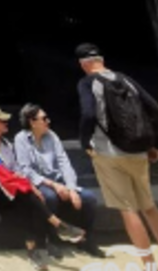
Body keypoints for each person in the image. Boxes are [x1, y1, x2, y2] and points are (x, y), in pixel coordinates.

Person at [76, 43, 158, 271]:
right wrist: (156, 144)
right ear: (102, 59)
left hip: (109, 154)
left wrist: (85, 144)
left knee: (129, 209)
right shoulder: (125, 79)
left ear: (83, 64)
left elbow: (89, 114)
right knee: (150, 207)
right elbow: (156, 110)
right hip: (139, 151)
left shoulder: (87, 83)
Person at [0, 105, 82, 271]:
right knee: (26, 195)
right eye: (2, 120)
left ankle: (34, 249)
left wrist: (29, 185)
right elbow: (0, 173)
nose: (7, 122)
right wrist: (26, 186)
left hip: (9, 183)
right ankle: (57, 225)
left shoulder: (6, 144)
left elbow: (16, 168)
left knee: (29, 200)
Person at [13, 103, 103, 257]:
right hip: (40, 182)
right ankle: (52, 240)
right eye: (44, 118)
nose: (48, 121)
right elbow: (25, 169)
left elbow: (64, 163)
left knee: (89, 198)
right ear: (32, 122)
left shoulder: (52, 136)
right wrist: (53, 185)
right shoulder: (21, 139)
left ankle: (86, 240)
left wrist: (72, 188)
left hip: (59, 181)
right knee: (49, 197)